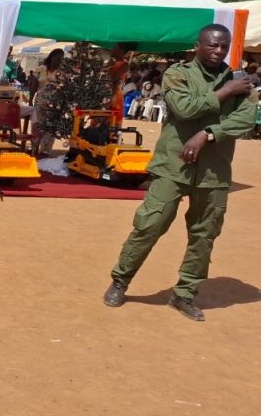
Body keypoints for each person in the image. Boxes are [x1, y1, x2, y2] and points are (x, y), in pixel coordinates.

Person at [103, 24, 258, 321]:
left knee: (204, 235)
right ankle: (121, 280)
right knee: (150, 225)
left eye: (223, 46)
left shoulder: (240, 80)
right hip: (174, 166)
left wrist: (208, 134)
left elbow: (245, 120)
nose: (218, 51)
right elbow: (184, 108)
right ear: (197, 46)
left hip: (214, 171)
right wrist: (225, 92)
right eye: (212, 45)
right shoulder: (178, 74)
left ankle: (184, 294)